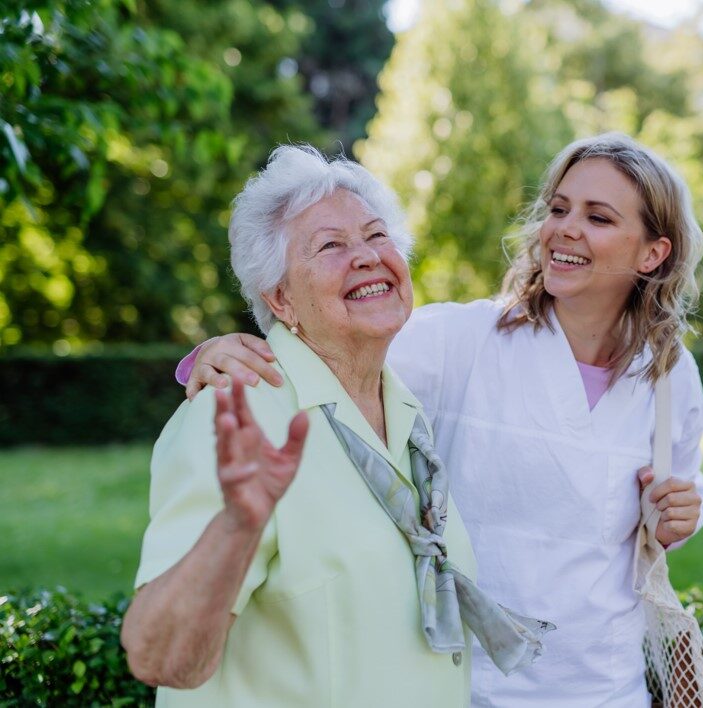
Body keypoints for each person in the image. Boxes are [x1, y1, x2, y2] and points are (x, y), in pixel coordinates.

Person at [178, 133, 703, 707]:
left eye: (599, 217)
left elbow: (677, 492)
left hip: (607, 687)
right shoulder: (461, 340)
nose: (565, 228)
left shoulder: (668, 375)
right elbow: (322, 354)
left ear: (652, 253)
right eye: (558, 208)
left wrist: (683, 513)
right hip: (470, 687)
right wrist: (211, 356)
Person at [121, 146, 550, 707]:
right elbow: (161, 659)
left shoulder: (405, 413)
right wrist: (238, 525)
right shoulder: (234, 417)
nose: (368, 256)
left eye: (376, 236)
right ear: (280, 298)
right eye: (330, 246)